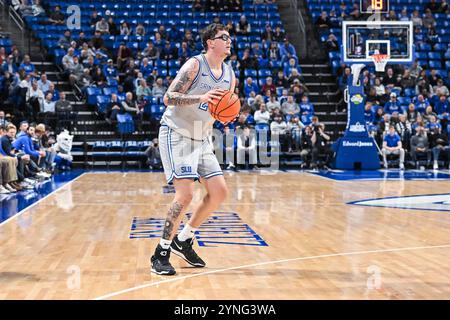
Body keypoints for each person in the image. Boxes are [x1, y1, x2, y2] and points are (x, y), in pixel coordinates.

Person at [150, 23, 234, 276]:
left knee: (219, 192)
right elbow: (168, 97)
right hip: (176, 133)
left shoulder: (230, 74)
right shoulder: (195, 65)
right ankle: (161, 253)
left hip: (202, 137)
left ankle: (184, 239)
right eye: (224, 37)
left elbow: (220, 109)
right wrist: (200, 97)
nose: (229, 41)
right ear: (210, 42)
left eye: (230, 37)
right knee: (184, 195)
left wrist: (227, 116)